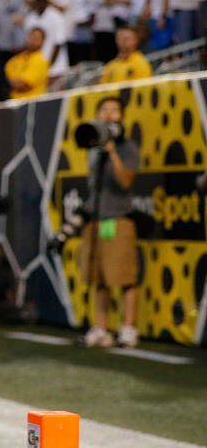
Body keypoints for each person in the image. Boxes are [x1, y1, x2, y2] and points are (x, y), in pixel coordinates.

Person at [78, 96, 140, 348]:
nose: (108, 115)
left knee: (125, 277)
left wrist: (113, 152)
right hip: (96, 220)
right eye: (103, 110)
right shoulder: (93, 151)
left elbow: (126, 182)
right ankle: (102, 328)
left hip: (119, 219)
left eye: (114, 110)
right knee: (99, 278)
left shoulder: (128, 148)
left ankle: (128, 328)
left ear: (122, 116)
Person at [5, 27, 50, 99]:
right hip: (12, 101)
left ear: (42, 42)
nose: (34, 40)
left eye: (37, 38)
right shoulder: (16, 59)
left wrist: (9, 83)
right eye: (32, 36)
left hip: (31, 104)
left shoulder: (40, 61)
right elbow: (3, 76)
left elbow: (23, 86)